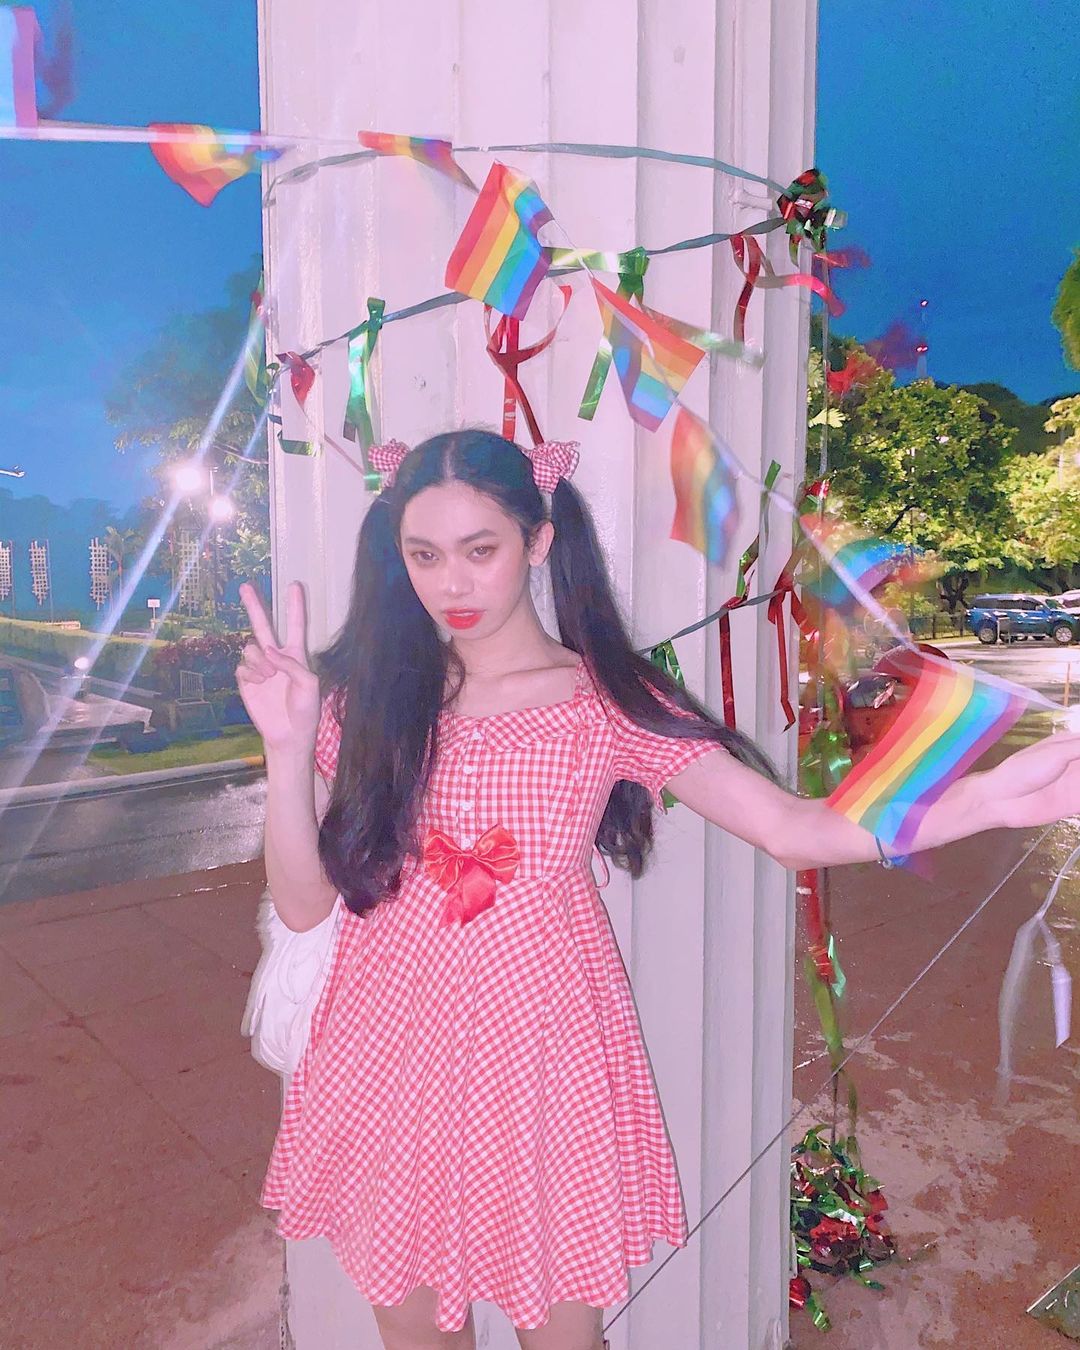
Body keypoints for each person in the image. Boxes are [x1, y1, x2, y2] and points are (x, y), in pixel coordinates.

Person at [236, 428, 1080, 1350]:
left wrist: (984, 800)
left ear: (539, 540)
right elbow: (306, 906)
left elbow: (790, 829)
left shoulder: (606, 698)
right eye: (424, 555)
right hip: (388, 1048)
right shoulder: (367, 698)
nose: (453, 584)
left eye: (481, 550)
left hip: (542, 1050)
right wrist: (288, 748)